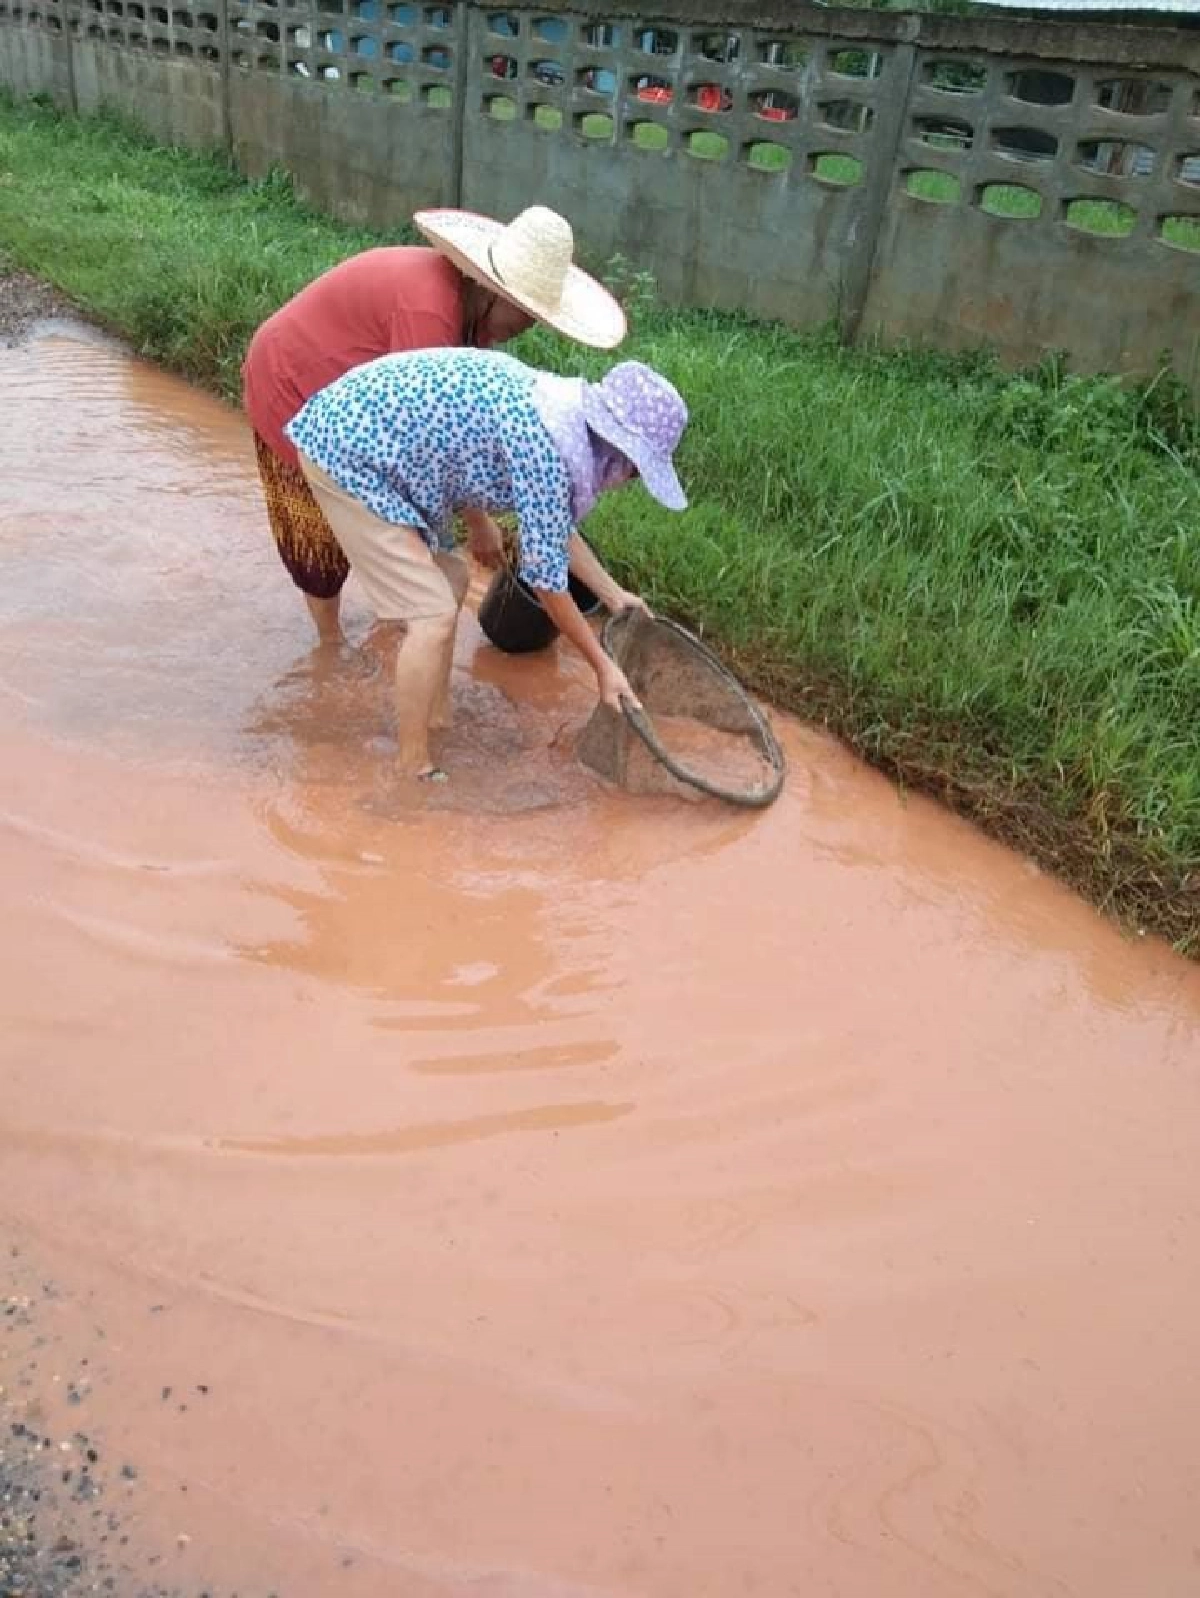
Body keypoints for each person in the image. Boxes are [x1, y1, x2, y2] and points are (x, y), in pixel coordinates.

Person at [284, 348, 688, 782]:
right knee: (431, 612)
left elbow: (555, 529)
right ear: (618, 453)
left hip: (372, 434)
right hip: (351, 453)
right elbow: (549, 584)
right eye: (635, 472)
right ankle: (412, 765)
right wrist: (603, 668)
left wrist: (614, 595)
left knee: (452, 578)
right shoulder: (548, 449)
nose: (628, 481)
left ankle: (435, 716)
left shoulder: (559, 414)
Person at [242, 205, 627, 644]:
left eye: (534, 318)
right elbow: (427, 444)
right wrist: (479, 523)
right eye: (522, 313)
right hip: (291, 380)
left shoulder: (467, 314)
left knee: (395, 527)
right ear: (491, 291)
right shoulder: (429, 314)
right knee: (317, 537)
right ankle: (330, 644)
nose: (524, 328)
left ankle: (400, 624)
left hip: (356, 402)